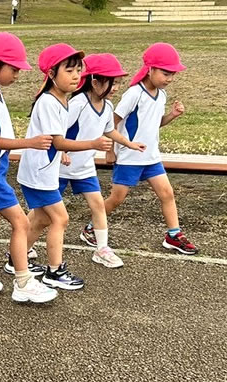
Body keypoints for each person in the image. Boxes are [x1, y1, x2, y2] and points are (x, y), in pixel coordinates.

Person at [0, 32, 57, 304]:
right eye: (13, 68)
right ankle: (23, 281)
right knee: (19, 222)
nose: (17, 74)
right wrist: (30, 142)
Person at [17, 44, 112, 291]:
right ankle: (54, 271)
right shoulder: (49, 102)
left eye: (78, 70)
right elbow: (58, 142)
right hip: (39, 173)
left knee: (41, 218)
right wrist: (93, 143)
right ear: (51, 74)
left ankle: (17, 258)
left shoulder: (61, 100)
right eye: (69, 70)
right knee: (60, 218)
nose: (75, 75)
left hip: (41, 171)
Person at [85, 43, 195, 255]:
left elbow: (154, 124)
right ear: (150, 69)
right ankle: (91, 227)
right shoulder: (134, 94)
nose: (170, 79)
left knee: (167, 194)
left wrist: (172, 115)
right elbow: (112, 122)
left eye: (172, 74)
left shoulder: (161, 95)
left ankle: (174, 234)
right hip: (129, 157)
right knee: (117, 198)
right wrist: (111, 150)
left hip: (151, 157)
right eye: (165, 73)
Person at [60, 53, 146, 268]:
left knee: (98, 204)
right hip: (62, 166)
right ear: (95, 81)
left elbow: (109, 130)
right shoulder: (78, 103)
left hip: (84, 167)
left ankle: (102, 249)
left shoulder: (107, 107)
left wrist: (128, 144)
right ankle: (25, 239)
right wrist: (61, 152)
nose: (116, 88)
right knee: (44, 209)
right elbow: (58, 130)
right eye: (112, 82)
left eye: (118, 82)